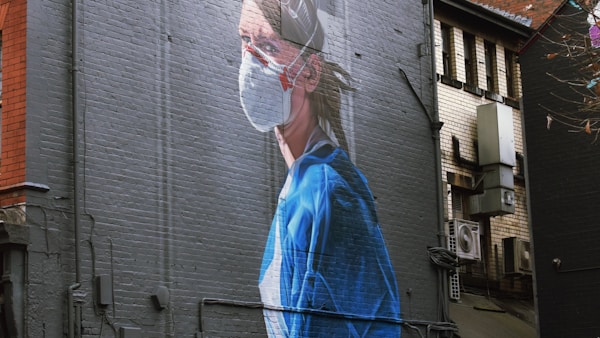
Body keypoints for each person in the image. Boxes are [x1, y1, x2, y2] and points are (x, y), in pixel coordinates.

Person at [237, 0, 402, 336]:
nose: (251, 60)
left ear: (310, 72)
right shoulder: (303, 182)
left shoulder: (324, 191)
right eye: (245, 40)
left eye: (268, 45)